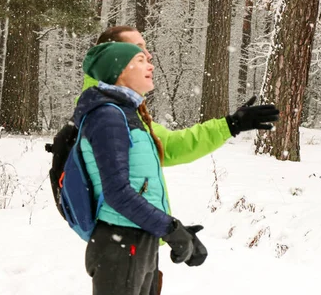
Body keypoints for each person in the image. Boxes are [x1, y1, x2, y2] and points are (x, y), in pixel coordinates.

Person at [75, 42, 279, 295]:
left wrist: (232, 124)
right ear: (118, 71)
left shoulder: (128, 115)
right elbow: (118, 193)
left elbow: (169, 150)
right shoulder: (108, 116)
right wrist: (171, 229)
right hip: (121, 242)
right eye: (139, 60)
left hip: (138, 239)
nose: (150, 63)